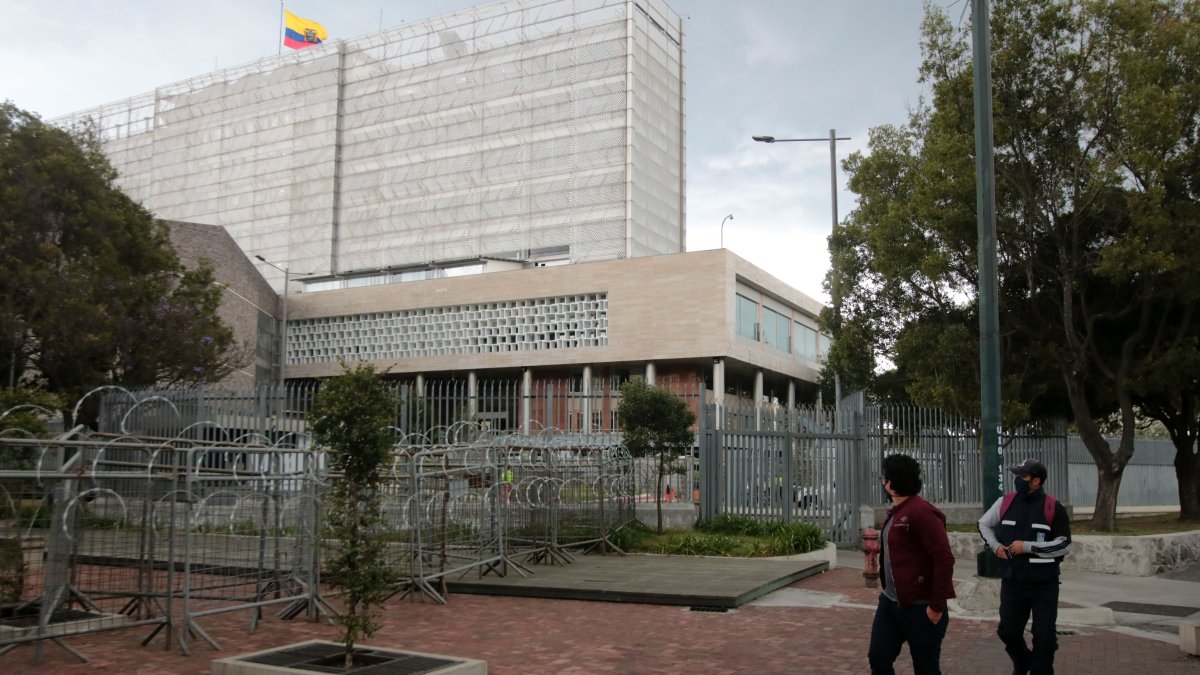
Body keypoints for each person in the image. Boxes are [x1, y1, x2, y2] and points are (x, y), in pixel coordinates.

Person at [978, 458, 1071, 675]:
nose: (1017, 480)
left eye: (1022, 476)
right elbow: (983, 523)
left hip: (1044, 584)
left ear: (1036, 481)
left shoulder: (1053, 507)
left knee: (1044, 638)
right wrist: (995, 546)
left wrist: (1028, 547)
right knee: (1008, 632)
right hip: (1013, 580)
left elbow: (1064, 544)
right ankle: (1023, 662)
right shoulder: (1005, 502)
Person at [868, 454, 956, 675]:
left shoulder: (921, 512)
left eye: (884, 478)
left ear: (892, 482)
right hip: (890, 603)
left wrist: (936, 607)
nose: (882, 482)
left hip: (920, 607)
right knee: (878, 658)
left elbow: (943, 558)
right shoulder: (897, 511)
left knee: (925, 668)